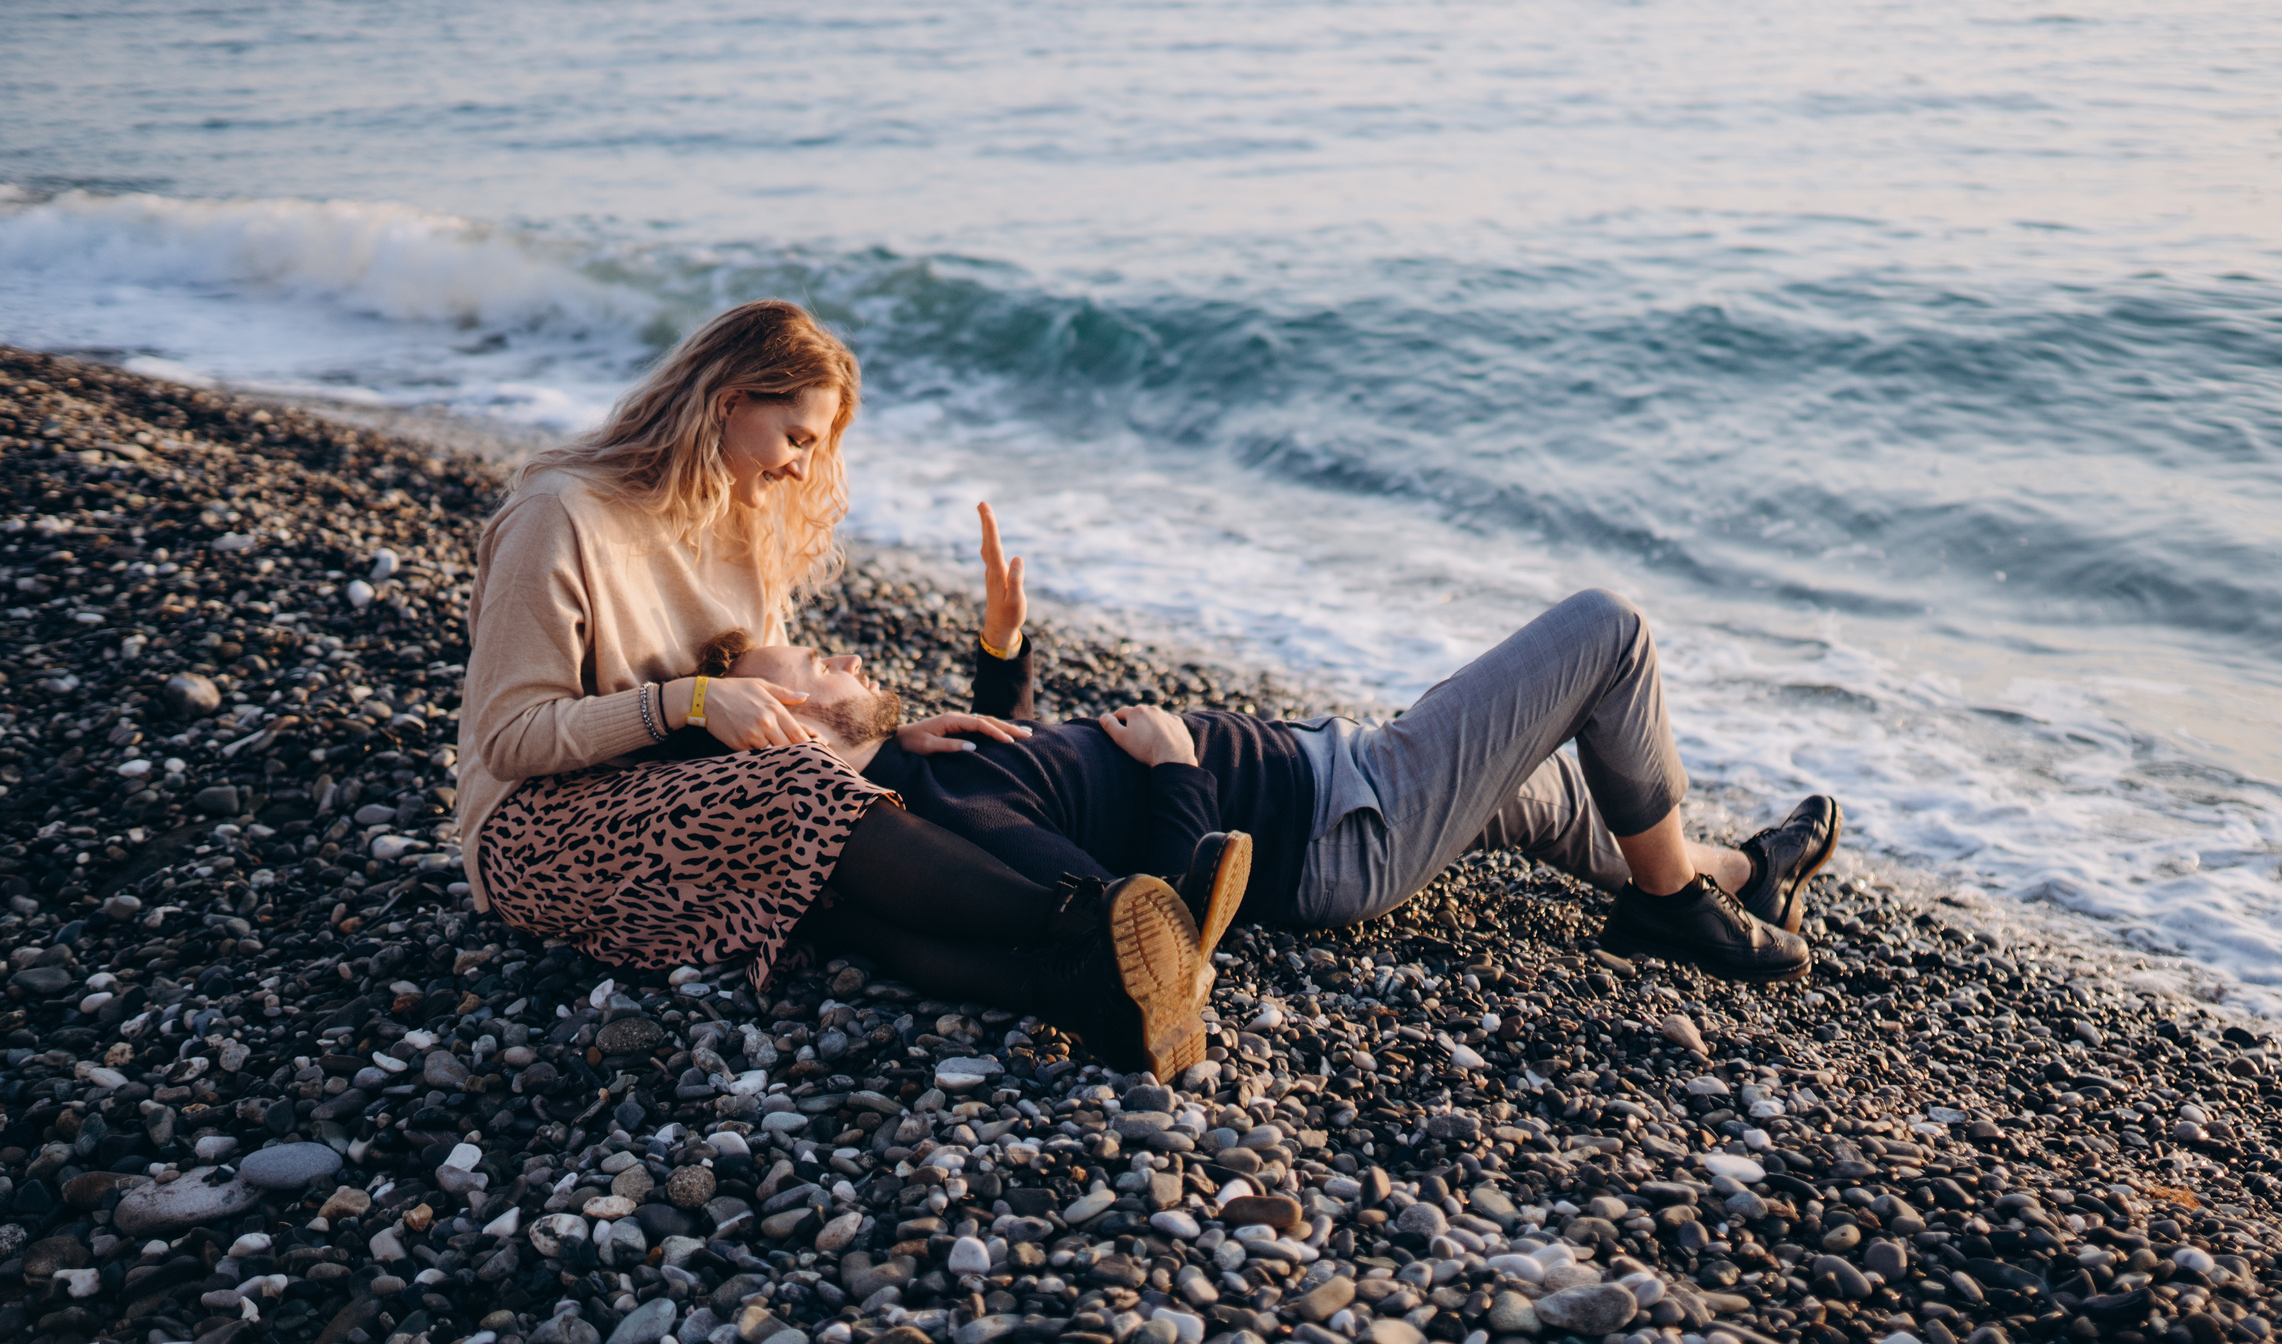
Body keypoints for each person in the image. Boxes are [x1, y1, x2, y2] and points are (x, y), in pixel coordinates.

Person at [451, 300, 1216, 1075]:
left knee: (834, 883)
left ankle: (1082, 993)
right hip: (543, 831)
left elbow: (777, 694)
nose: (802, 470)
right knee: (802, 799)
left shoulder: (740, 520)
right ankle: (1090, 920)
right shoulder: (562, 516)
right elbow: (510, 737)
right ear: (727, 402)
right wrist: (688, 700)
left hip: (698, 796)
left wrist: (881, 734)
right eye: (796, 439)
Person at [704, 504, 1843, 979]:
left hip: (1336, 782)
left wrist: (1004, 658)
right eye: (809, 666)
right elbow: (1130, 894)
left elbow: (1036, 774)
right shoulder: (917, 817)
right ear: (779, 727)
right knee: (1608, 630)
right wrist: (1177, 770)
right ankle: (1668, 911)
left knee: (1542, 800)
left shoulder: (914, 770)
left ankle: (1743, 873)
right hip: (1347, 824)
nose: (840, 658)